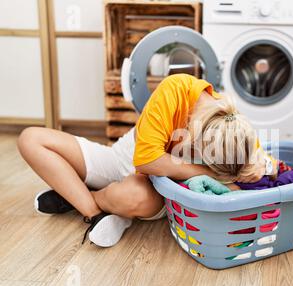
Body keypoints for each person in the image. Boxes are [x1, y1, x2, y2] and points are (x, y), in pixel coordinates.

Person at [18, 74, 274, 247]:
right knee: (31, 139)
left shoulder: (232, 126)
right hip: (120, 159)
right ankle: (97, 210)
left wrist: (264, 165)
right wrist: (209, 172)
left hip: (153, 188)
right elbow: (146, 160)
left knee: (132, 196)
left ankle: (81, 201)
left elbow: (264, 164)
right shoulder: (177, 88)